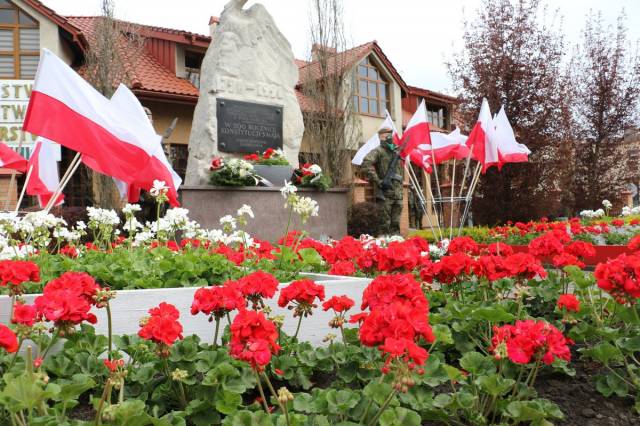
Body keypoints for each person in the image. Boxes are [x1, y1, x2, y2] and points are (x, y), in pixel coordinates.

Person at [361, 127, 404, 235]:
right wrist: (377, 181)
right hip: (385, 194)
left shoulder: (395, 152)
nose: (389, 138)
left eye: (390, 135)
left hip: (398, 194)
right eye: (386, 136)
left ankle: (397, 246)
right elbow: (366, 164)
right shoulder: (378, 151)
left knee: (396, 225)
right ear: (381, 137)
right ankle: (384, 247)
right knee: (384, 225)